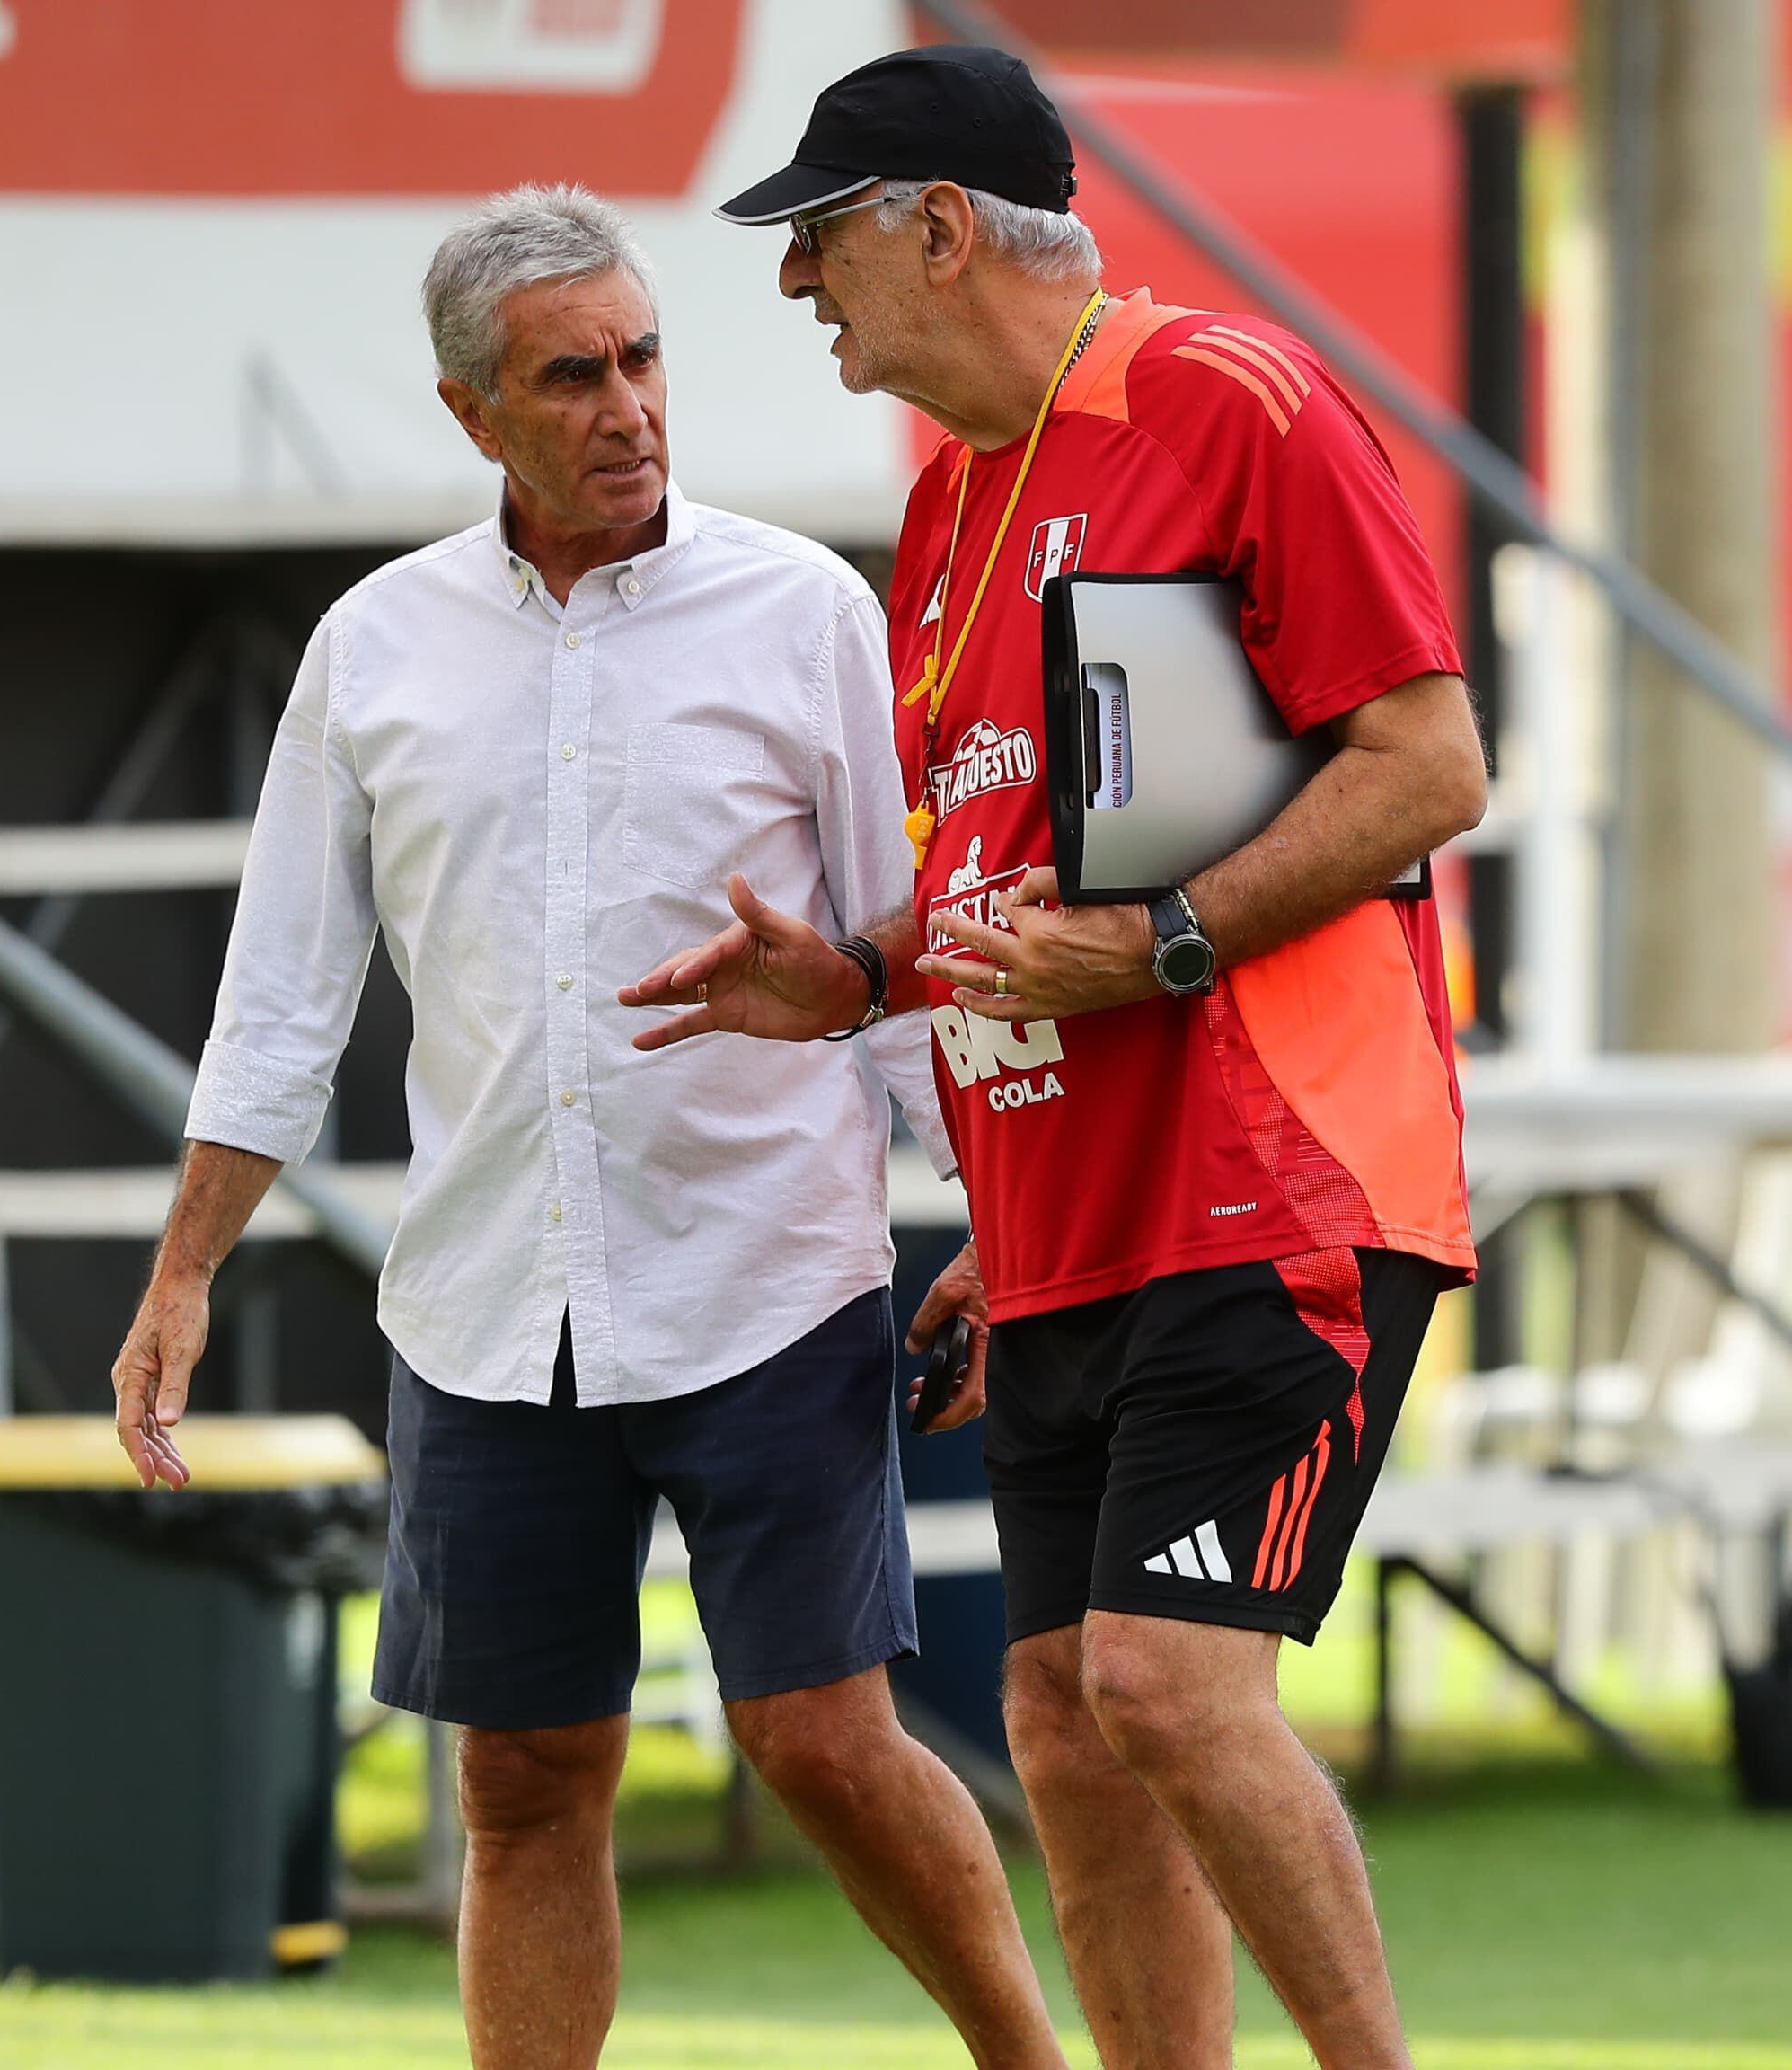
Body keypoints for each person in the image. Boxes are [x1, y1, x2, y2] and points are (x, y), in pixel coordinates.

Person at [109, 185, 1064, 2070]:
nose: (627, 406)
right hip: (482, 1313)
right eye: (572, 376)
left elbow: (911, 952)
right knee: (526, 1781)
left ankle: (1029, 2065)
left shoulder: (803, 612)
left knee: (821, 1743)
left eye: (644, 359)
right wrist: (184, 1269)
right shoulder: (372, 648)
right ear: (474, 413)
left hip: (767, 1281)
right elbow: (283, 993)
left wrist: (1000, 1232)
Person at [622, 48, 1488, 2070]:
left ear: (937, 225)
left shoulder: (1231, 398)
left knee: (1170, 1690)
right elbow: (1022, 882)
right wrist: (852, 979)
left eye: (818, 239)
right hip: (1070, 1230)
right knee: (1067, 1732)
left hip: (1281, 1182)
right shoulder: (945, 506)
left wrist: (1169, 942)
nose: (795, 290)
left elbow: (1428, 761)